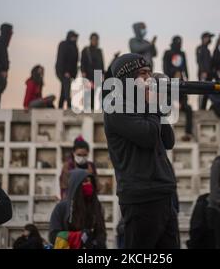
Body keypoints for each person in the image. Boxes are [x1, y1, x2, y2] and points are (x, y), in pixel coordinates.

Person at [104, 53, 179, 249]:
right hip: (141, 197)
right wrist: (152, 104)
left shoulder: (146, 105)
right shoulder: (116, 107)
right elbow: (147, 137)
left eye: (150, 74)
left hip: (163, 192)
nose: (149, 79)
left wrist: (159, 106)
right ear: (127, 79)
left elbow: (168, 141)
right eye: (143, 74)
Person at [49, 169, 106, 249]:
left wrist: (96, 244)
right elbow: (53, 236)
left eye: (90, 182)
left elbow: (101, 234)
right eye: (85, 181)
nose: (89, 184)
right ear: (76, 185)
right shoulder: (61, 208)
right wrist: (78, 237)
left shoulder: (96, 207)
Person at [163, 36, 193, 140]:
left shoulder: (182, 54)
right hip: (170, 102)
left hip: (180, 103)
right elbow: (165, 67)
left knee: (189, 109)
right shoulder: (168, 53)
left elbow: (185, 66)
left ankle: (188, 133)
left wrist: (185, 76)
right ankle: (165, 133)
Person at [81, 33, 105, 110]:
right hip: (88, 74)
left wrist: (103, 74)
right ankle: (88, 108)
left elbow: (102, 63)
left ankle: (97, 108)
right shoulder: (86, 50)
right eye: (94, 39)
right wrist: (83, 72)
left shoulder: (99, 51)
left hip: (98, 75)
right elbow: (83, 62)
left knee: (97, 93)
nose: (95, 41)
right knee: (88, 92)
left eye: (96, 39)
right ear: (91, 40)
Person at [55, 30, 79, 109]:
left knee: (63, 90)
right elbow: (60, 59)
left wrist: (74, 74)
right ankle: (69, 106)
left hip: (70, 74)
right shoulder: (63, 45)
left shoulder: (75, 47)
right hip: (64, 72)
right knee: (66, 90)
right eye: (73, 37)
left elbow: (75, 62)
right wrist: (64, 72)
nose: (74, 39)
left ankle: (60, 108)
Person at [196, 32, 215, 110]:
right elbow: (199, 61)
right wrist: (203, 71)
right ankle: (201, 108)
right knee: (202, 92)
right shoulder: (200, 48)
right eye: (208, 37)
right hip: (203, 74)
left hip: (208, 75)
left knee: (207, 92)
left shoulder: (207, 49)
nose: (210, 39)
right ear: (204, 38)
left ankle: (203, 108)